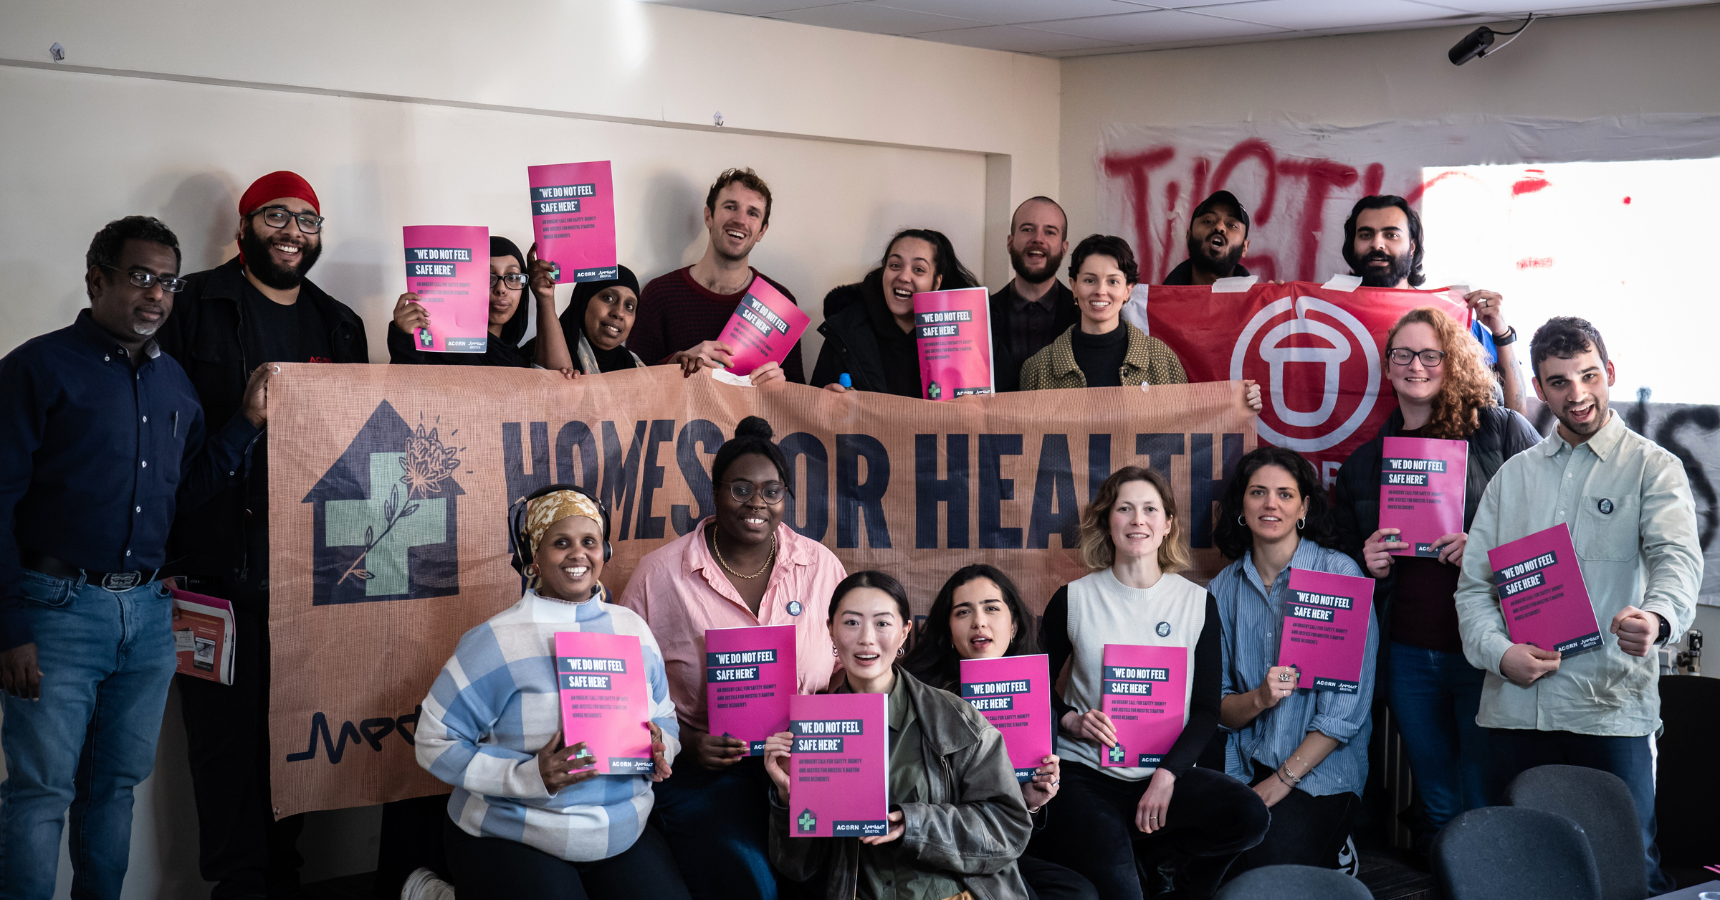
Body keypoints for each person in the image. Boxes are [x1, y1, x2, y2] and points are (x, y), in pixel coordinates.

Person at [0, 216, 271, 900]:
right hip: (56, 613)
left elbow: (189, 493)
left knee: (114, 787)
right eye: (139, 277)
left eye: (168, 282)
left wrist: (246, 424)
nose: (155, 295)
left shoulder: (174, 382)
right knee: (41, 793)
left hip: (150, 615)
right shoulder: (35, 369)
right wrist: (9, 628)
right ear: (97, 279)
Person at [155, 171, 368, 900]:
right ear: (245, 225)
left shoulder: (340, 323)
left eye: (308, 220)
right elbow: (166, 445)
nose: (292, 231)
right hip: (215, 573)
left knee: (296, 743)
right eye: (276, 215)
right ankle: (237, 888)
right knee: (223, 750)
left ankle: (283, 877)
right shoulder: (198, 308)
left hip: (309, 577)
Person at [1455, 317, 1699, 895]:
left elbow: (1676, 563)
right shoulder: (1512, 479)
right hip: (1516, 708)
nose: (1578, 393)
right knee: (1518, 870)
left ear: (1608, 373)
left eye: (1589, 375)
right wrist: (1500, 652)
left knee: (1624, 867)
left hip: (1609, 708)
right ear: (1539, 389)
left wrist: (1658, 619)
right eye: (1559, 381)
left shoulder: (1653, 468)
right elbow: (1474, 589)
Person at [1333, 306, 1540, 853]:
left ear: (1453, 361)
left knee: (1482, 793)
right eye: (1403, 354)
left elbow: (1554, 526)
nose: (1416, 366)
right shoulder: (1364, 465)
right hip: (1406, 655)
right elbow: (1338, 571)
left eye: (1431, 354)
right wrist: (1365, 563)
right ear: (1388, 364)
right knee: (1438, 798)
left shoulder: (1500, 433)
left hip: (1485, 651)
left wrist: (1489, 552)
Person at [414, 486, 686, 900]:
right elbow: (433, 741)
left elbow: (665, 715)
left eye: (589, 542)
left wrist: (659, 744)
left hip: (619, 831)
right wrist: (530, 776)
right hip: (515, 830)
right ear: (533, 559)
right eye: (561, 543)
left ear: (605, 552)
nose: (578, 554)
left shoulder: (631, 629)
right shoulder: (495, 641)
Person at [618, 416, 846, 900]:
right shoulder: (661, 575)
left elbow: (847, 670)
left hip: (811, 767)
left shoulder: (821, 565)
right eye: (741, 488)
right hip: (706, 777)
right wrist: (687, 745)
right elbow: (621, 694)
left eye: (771, 490)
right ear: (716, 491)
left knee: (834, 877)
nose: (757, 503)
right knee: (753, 884)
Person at [1031, 466, 1268, 900]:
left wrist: (1167, 776)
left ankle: (1162, 863)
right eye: (1125, 509)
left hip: (1163, 770)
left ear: (1167, 525)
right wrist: (1069, 721)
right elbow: (1033, 691)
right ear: (1108, 521)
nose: (1137, 520)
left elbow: (1206, 711)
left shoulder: (1198, 604)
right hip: (1086, 774)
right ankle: (1133, 863)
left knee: (1248, 815)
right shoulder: (1073, 598)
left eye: (1149, 510)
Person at [764, 571, 1033, 900]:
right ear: (830, 631)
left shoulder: (956, 719)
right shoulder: (811, 732)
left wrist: (915, 824)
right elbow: (796, 867)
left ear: (905, 631)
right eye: (851, 623)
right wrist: (788, 797)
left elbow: (1009, 828)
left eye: (882, 623)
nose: (866, 638)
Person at [1209, 447, 1378, 874]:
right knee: (1206, 870)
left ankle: (1339, 849)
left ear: (1303, 507)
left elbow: (1345, 713)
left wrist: (1281, 781)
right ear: (1241, 507)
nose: (1271, 504)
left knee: (1265, 874)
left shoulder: (1338, 576)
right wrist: (1261, 699)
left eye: (1285, 495)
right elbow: (1221, 709)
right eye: (1258, 492)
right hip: (1245, 762)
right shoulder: (1221, 590)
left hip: (1320, 772)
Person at [902, 565, 1100, 900]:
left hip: (1002, 848)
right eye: (963, 612)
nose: (979, 621)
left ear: (1014, 626)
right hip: (943, 846)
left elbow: (1017, 827)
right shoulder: (923, 700)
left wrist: (1031, 803)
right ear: (949, 631)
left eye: (992, 608)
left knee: (1078, 892)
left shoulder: (1034, 699)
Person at [1340, 195, 1527, 415]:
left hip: (1435, 448)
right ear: (1352, 245)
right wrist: (1287, 305)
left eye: (1391, 234)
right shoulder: (1317, 313)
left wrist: (1502, 334)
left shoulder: (1450, 317)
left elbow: (1517, 413)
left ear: (1411, 247)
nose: (1377, 244)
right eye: (1365, 234)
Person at [630, 167, 803, 383]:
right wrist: (677, 362)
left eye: (752, 213)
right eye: (731, 207)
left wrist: (781, 388)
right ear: (708, 216)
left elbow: (797, 399)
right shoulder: (659, 294)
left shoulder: (781, 303)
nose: (740, 220)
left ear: (762, 231)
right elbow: (633, 384)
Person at [810, 228, 978, 396]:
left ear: (936, 283)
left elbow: (995, 411)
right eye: (895, 265)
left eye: (918, 269)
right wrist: (827, 402)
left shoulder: (969, 337)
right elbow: (811, 409)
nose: (904, 277)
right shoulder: (845, 331)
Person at [1018, 234, 1188, 391]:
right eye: (1089, 280)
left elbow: (1183, 423)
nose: (1100, 290)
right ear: (1074, 286)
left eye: (1113, 281)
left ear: (1128, 290)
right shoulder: (1038, 369)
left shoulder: (1162, 360)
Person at [387, 236, 554, 368]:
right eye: (487, 277)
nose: (501, 288)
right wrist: (403, 342)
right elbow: (402, 402)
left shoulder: (527, 362)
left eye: (512, 277)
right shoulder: (436, 355)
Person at [990, 197, 1078, 393]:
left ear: (1064, 249)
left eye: (1049, 232)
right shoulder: (980, 314)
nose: (1038, 238)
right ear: (1010, 243)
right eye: (1028, 229)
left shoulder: (1084, 316)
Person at [528, 264, 647, 375]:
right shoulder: (539, 353)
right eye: (608, 298)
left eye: (629, 306)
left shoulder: (633, 366)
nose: (619, 313)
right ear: (583, 300)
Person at [1161, 191, 1252, 286]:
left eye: (1231, 225)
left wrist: (1267, 300)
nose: (1219, 227)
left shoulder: (1261, 300)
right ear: (1188, 237)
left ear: (1244, 247)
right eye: (1208, 221)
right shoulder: (1156, 300)